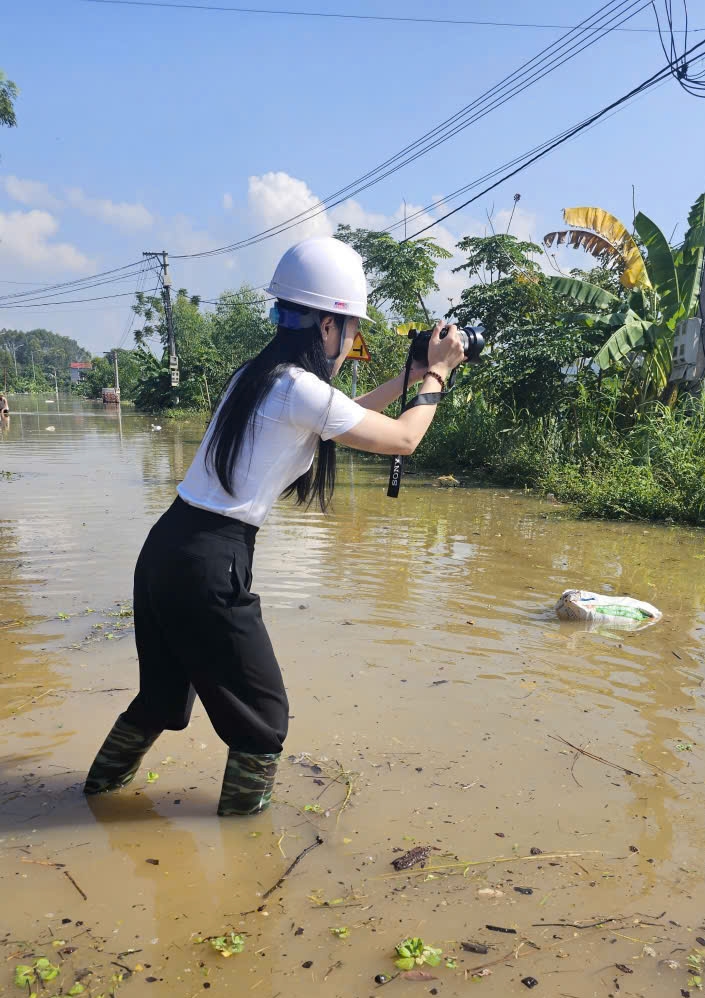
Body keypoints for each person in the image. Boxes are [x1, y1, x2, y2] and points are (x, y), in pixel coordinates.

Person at [84, 236, 466, 815]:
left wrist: (409, 379)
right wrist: (437, 375)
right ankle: (244, 850)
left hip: (168, 548)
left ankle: (91, 797)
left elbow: (344, 411)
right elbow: (405, 439)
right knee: (265, 722)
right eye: (353, 332)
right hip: (212, 562)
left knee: (162, 699)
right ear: (326, 327)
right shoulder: (297, 388)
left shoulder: (263, 376)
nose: (351, 345)